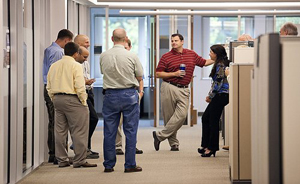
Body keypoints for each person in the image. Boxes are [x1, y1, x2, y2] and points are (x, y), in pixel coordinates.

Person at [153, 33, 214, 152]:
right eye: (172, 41)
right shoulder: (166, 56)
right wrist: (174, 74)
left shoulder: (191, 54)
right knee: (169, 116)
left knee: (181, 115)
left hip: (185, 88)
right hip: (169, 87)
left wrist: (218, 59)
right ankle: (174, 143)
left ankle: (159, 136)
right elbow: (158, 73)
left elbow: (204, 62)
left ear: (182, 41)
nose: (173, 43)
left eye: (176, 40)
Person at [47, 42, 97, 168]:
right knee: (79, 130)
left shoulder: (54, 65)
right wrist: (84, 101)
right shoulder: (76, 66)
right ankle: (79, 160)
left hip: (57, 99)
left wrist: (53, 97)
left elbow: (48, 85)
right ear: (76, 53)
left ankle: (62, 160)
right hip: (73, 99)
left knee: (60, 131)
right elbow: (80, 86)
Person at [100, 28, 144, 173]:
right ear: (125, 39)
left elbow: (103, 72)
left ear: (112, 39)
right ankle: (130, 164)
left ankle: (108, 165)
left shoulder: (104, 56)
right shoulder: (132, 56)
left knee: (110, 132)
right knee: (130, 131)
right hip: (129, 95)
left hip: (110, 95)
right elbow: (139, 75)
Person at [42, 29, 73, 164]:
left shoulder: (49, 49)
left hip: (49, 88)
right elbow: (57, 74)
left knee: (53, 122)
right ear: (66, 40)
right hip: (54, 90)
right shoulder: (58, 52)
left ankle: (54, 153)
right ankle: (58, 155)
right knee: (59, 124)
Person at [198, 45, 231, 157]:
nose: (209, 54)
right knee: (206, 118)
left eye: (211, 52)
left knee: (212, 120)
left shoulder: (220, 65)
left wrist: (210, 96)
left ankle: (211, 148)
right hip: (219, 94)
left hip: (221, 95)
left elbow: (218, 83)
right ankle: (206, 145)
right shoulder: (219, 63)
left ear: (216, 54)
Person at [115, 38, 143, 155]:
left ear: (130, 48)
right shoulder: (114, 59)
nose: (124, 50)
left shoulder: (133, 58)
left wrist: (140, 93)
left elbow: (140, 78)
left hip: (132, 94)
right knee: (117, 123)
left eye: (126, 48)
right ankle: (117, 146)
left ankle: (132, 146)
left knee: (131, 123)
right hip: (117, 93)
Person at [74, 34, 99, 159]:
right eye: (86, 42)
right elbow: (77, 78)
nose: (88, 44)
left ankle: (86, 148)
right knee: (92, 119)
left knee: (89, 121)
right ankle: (78, 144)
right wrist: (85, 82)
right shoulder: (74, 61)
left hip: (89, 92)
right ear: (78, 44)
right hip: (81, 93)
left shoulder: (85, 60)